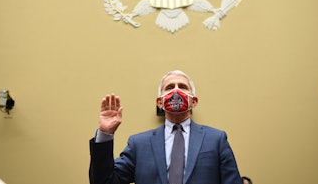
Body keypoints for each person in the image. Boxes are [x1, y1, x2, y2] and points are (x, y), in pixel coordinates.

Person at [89, 70, 242, 184]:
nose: (176, 91)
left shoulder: (216, 139)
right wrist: (105, 134)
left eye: (182, 86)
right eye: (169, 87)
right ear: (160, 102)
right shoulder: (139, 144)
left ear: (193, 101)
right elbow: (105, 182)